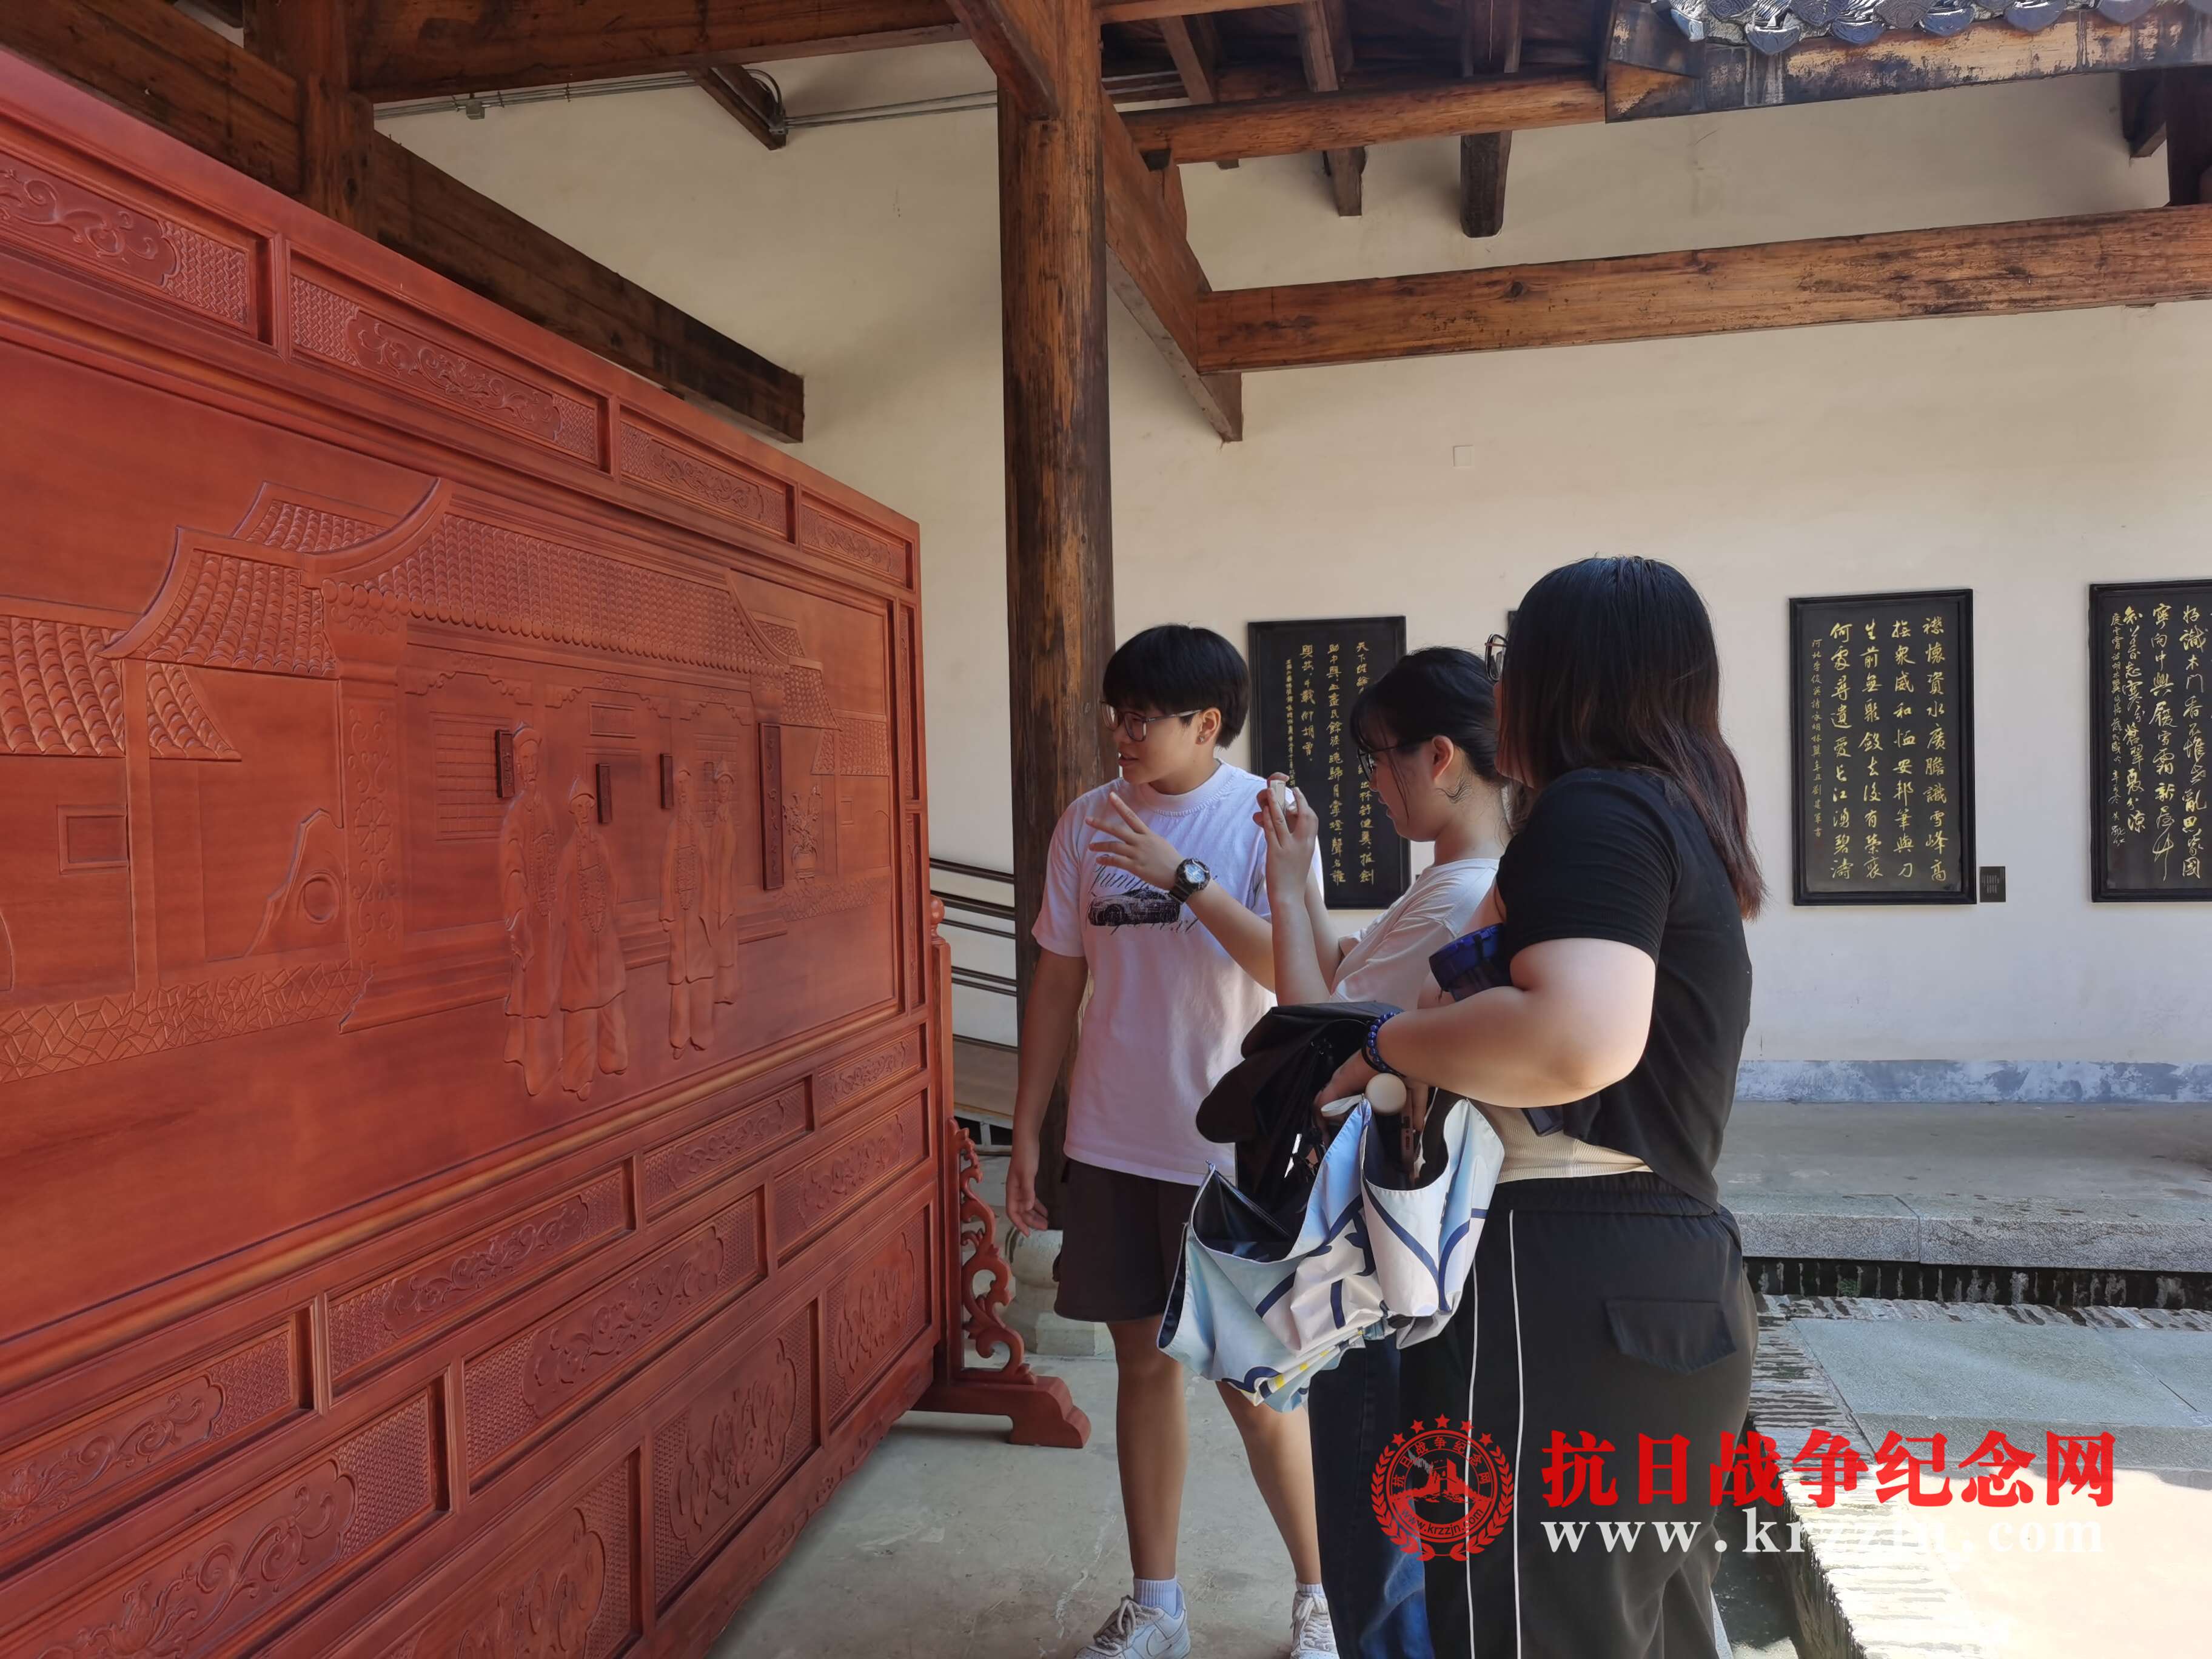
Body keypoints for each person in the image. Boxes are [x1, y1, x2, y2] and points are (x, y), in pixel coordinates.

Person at [1316, 558, 1761, 1659]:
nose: (1500, 683)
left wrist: (1383, 1044)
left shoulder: (1599, 806)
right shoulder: (1677, 814)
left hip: (1563, 1288)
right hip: (1653, 1281)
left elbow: (1575, 1038)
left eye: (1509, 655)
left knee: (1527, 1629)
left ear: (1571, 672)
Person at [1004, 625, 1332, 1659]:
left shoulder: (1265, 818)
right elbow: (1058, 980)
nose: (1123, 732)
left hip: (1231, 1155)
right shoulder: (1085, 822)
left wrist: (1184, 877)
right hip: (1115, 1137)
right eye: (1118, 712)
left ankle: (1322, 1600)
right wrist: (1028, 1127)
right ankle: (1158, 1606)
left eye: (1145, 715)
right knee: (1141, 1368)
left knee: (1256, 1386)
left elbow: (1295, 974)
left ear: (1208, 724)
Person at [1251, 646, 1510, 1659]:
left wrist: (1286, 883)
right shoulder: (1453, 884)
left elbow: (1315, 1032)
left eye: (1379, 756)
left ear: (1439, 757)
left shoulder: (1457, 895)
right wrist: (1293, 879)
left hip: (1379, 1239)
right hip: (1397, 1234)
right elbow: (1335, 988)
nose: (1372, 779)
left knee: (1379, 1547)